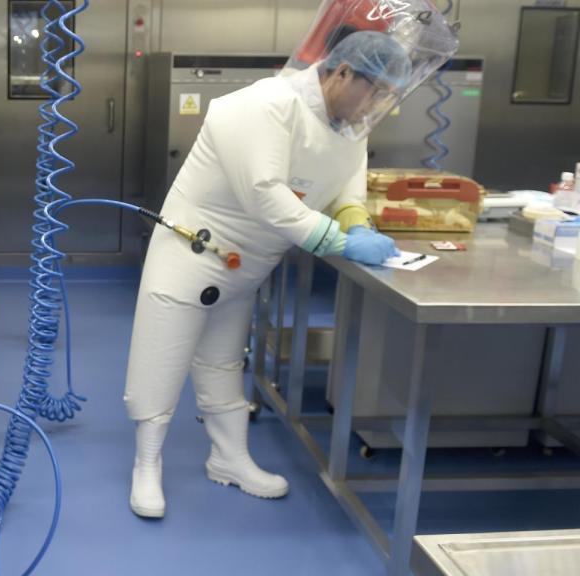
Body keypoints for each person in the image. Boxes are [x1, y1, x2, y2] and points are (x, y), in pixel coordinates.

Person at [124, 31, 412, 519]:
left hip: (248, 265)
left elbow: (346, 192)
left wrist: (357, 223)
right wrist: (340, 243)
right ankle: (146, 466)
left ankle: (229, 459)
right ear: (343, 73)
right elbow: (265, 193)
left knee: (222, 362)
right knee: (162, 357)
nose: (378, 105)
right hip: (192, 253)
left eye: (388, 95)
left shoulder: (349, 127)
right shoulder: (262, 105)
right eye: (377, 91)